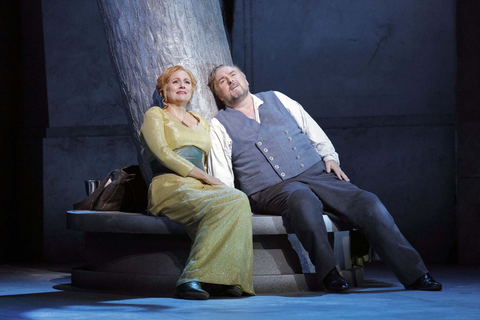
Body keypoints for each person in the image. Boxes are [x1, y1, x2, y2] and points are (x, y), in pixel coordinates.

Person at [207, 64, 442, 293]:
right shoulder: (219, 123)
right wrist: (234, 202)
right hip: (270, 188)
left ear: (245, 79)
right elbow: (221, 169)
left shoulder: (277, 98)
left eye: (233, 74)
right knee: (303, 200)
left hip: (316, 173)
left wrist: (329, 157)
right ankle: (329, 273)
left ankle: (416, 274)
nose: (230, 81)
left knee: (368, 203)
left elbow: (311, 128)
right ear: (219, 94)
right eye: (222, 81)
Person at [140, 65, 254, 300]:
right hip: (169, 185)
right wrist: (206, 177)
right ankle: (190, 279)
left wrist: (214, 181)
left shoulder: (201, 121)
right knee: (230, 200)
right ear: (164, 89)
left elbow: (208, 158)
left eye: (187, 82)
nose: (182, 85)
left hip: (199, 187)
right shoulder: (156, 115)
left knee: (238, 199)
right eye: (175, 81)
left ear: (193, 90)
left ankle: (228, 279)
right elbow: (162, 152)